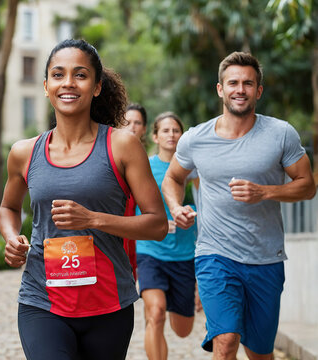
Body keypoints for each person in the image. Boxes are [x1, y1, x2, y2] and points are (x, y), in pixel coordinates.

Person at [0, 39, 168, 360]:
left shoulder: (122, 146)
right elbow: (9, 207)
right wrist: (11, 237)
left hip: (107, 303)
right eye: (58, 75)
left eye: (80, 75)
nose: (68, 83)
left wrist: (92, 219)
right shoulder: (24, 152)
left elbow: (157, 224)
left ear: (97, 86)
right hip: (42, 300)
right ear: (46, 86)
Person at [162, 51, 316, 360]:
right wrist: (176, 207)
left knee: (259, 352)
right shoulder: (195, 139)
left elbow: (308, 186)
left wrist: (266, 192)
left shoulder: (280, 134)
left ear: (258, 90)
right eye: (233, 82)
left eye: (248, 83)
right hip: (214, 254)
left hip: (265, 259)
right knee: (226, 340)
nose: (240, 89)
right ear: (220, 89)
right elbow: (172, 178)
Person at [136, 112, 198, 360]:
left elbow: (209, 204)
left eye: (176, 130)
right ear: (155, 136)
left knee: (183, 330)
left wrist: (190, 214)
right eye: (165, 130)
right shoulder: (145, 167)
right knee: (156, 313)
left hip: (184, 253)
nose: (171, 135)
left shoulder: (194, 170)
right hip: (150, 250)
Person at [121, 102, 149, 281]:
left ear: (144, 128)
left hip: (140, 235)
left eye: (137, 123)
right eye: (127, 121)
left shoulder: (148, 162)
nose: (132, 126)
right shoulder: (110, 154)